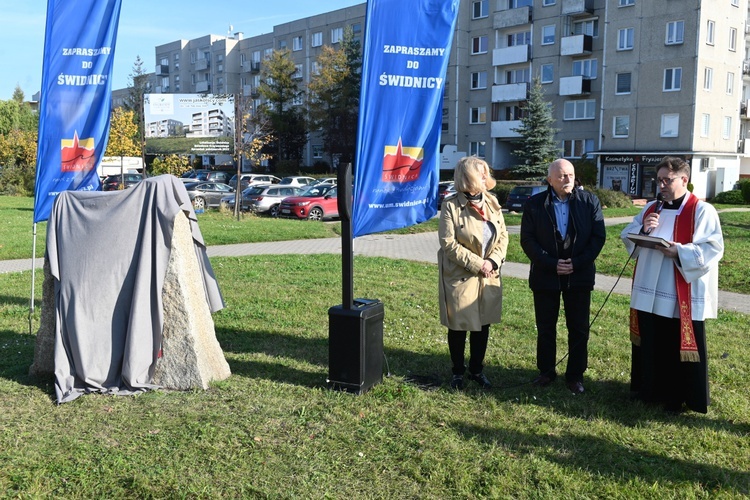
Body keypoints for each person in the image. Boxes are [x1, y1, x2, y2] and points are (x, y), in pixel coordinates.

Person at [621, 157, 723, 413]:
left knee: (673, 344)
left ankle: (678, 397)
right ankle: (650, 390)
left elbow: (712, 248)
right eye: (660, 180)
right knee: (653, 340)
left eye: (668, 180)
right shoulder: (652, 208)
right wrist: (643, 230)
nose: (662, 185)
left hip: (678, 291)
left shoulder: (701, 210)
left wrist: (679, 252)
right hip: (649, 290)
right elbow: (627, 234)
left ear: (684, 180)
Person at [520, 159, 606, 394]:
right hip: (545, 276)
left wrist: (576, 264)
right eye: (561, 176)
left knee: (578, 328)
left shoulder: (589, 202)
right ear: (549, 180)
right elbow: (527, 240)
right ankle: (546, 372)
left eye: (570, 174)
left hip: (579, 276)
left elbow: (598, 238)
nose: (567, 179)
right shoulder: (535, 204)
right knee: (546, 326)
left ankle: (575, 375)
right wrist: (551, 263)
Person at [438, 156, 508, 390]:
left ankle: (477, 370)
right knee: (459, 326)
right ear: (470, 176)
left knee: (483, 324)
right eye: (483, 172)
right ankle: (458, 371)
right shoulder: (451, 205)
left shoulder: (492, 201)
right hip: (461, 275)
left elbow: (503, 237)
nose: (487, 175)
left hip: (489, 275)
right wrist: (479, 264)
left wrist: (493, 261)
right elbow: (448, 244)